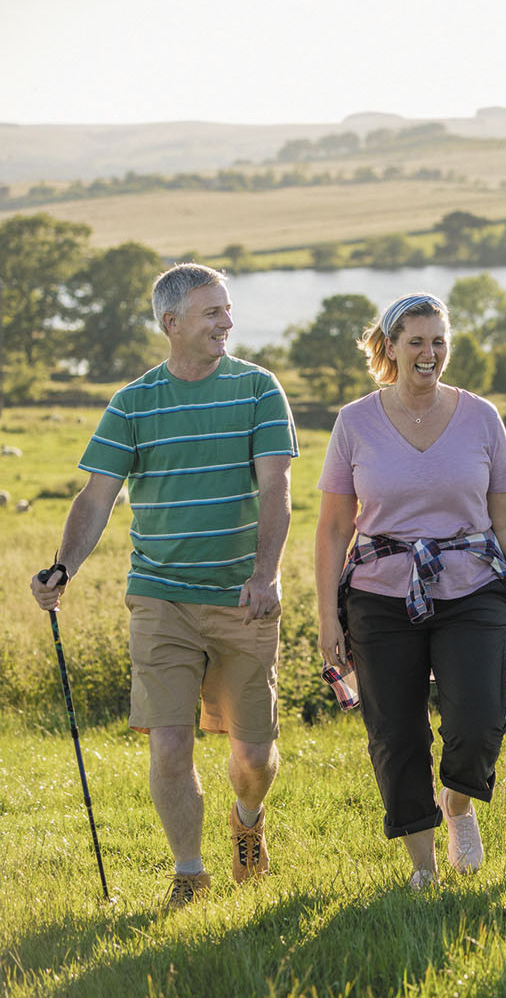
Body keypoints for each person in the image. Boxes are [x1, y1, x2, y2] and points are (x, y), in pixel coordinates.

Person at [30, 263, 296, 908]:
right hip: (159, 596)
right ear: (171, 323)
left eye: (227, 309)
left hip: (242, 597)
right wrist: (63, 567)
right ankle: (189, 873)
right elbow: (97, 497)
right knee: (170, 744)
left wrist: (265, 576)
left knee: (253, 755)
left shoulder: (258, 388)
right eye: (213, 312)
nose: (227, 322)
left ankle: (248, 819)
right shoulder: (133, 402)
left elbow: (276, 489)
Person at [313, 293, 506, 891]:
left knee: (480, 721)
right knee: (396, 734)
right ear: (390, 347)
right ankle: (423, 868)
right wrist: (328, 617)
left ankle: (457, 805)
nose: (429, 353)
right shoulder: (354, 422)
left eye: (439, 341)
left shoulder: (481, 416)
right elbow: (333, 527)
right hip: (378, 595)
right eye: (415, 341)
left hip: (473, 588)